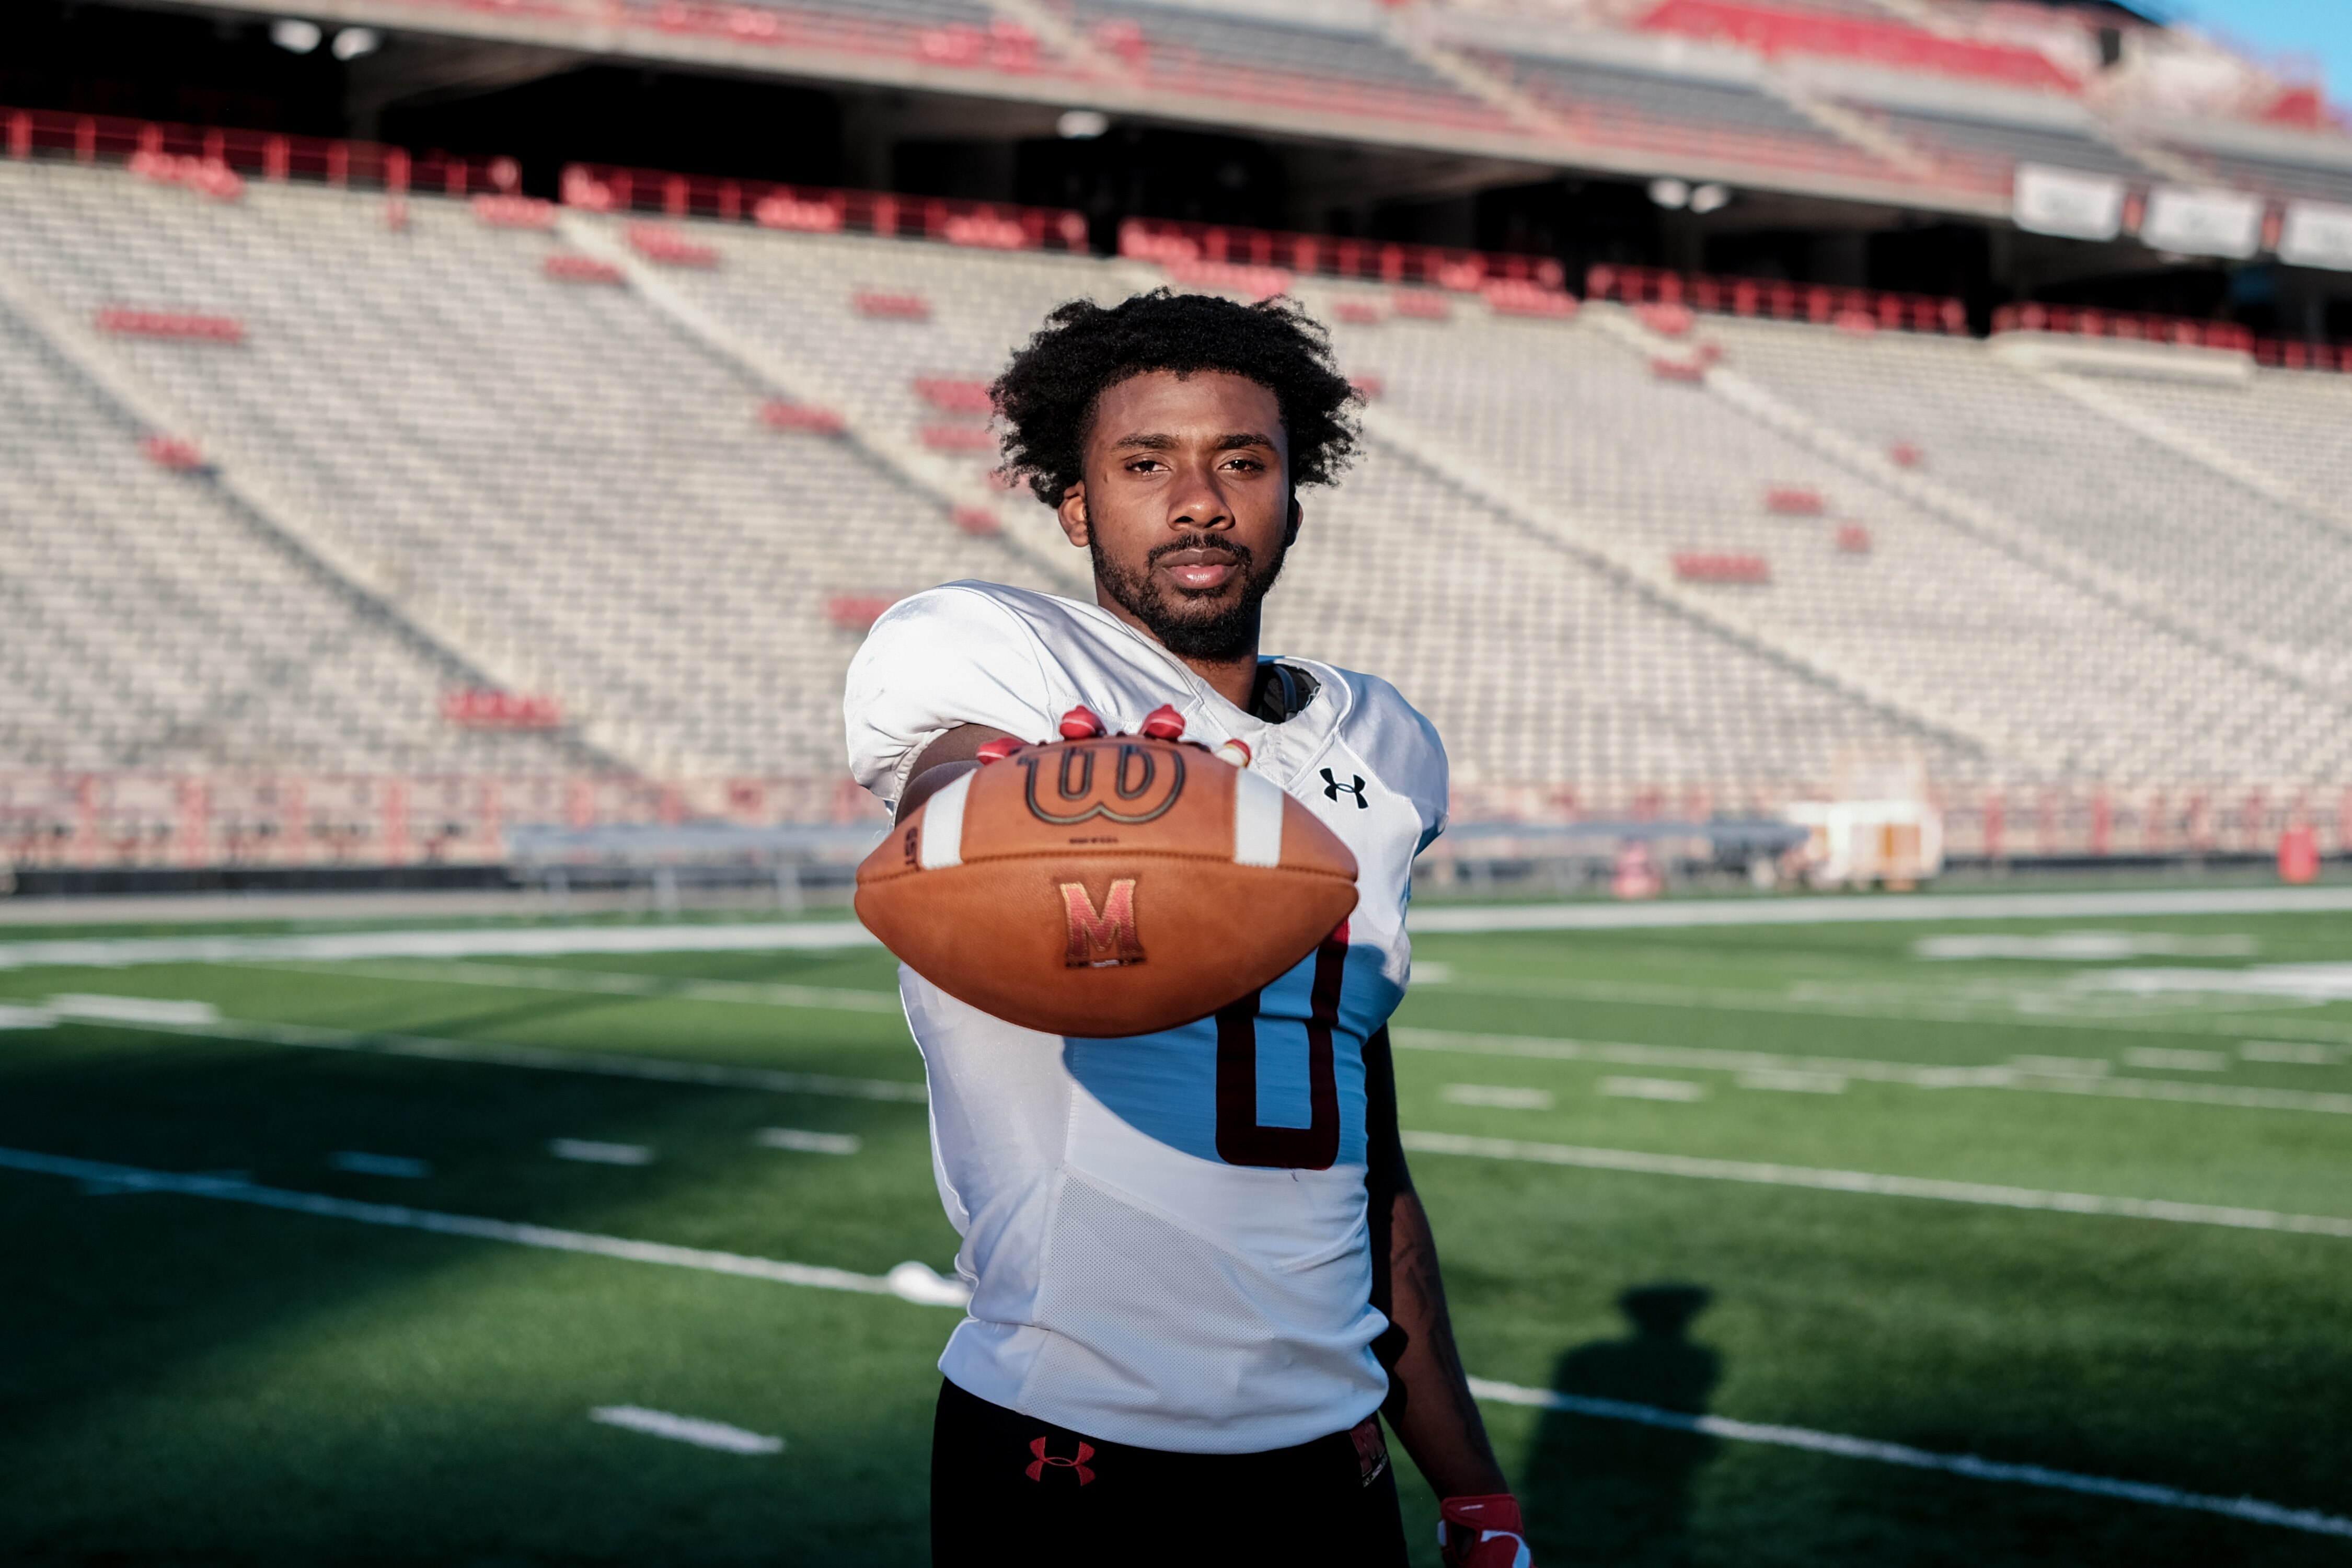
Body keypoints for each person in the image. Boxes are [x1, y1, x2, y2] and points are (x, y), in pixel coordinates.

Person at [844, 290, 1531, 1566]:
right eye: (1145, 463)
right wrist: (1023, 799)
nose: (1199, 499)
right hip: (1070, 1450)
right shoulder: (1006, 658)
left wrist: (1476, 1489)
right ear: (1075, 505)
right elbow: (949, 802)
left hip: (1336, 1456)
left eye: (1242, 462)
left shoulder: (1381, 749)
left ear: (1292, 503)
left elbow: (1366, 1162)